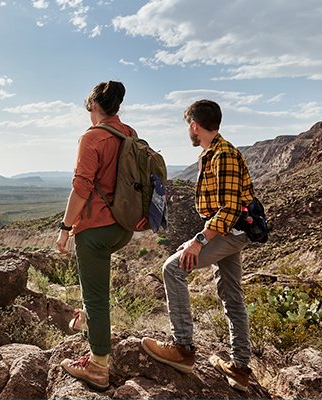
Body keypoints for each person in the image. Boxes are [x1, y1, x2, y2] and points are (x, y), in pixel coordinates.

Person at [141, 99, 254, 392]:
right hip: (227, 232)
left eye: (188, 126)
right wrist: (198, 237)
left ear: (195, 125)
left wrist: (200, 240)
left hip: (230, 231)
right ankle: (240, 367)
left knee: (172, 269)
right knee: (231, 294)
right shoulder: (211, 154)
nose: (188, 132)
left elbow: (229, 210)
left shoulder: (224, 155)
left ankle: (183, 348)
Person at [56, 80, 134, 391]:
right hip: (123, 228)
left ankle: (98, 366)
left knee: (97, 297)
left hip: (96, 230)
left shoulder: (93, 138)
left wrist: (65, 229)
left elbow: (81, 188)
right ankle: (89, 318)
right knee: (96, 291)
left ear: (94, 107)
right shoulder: (129, 133)